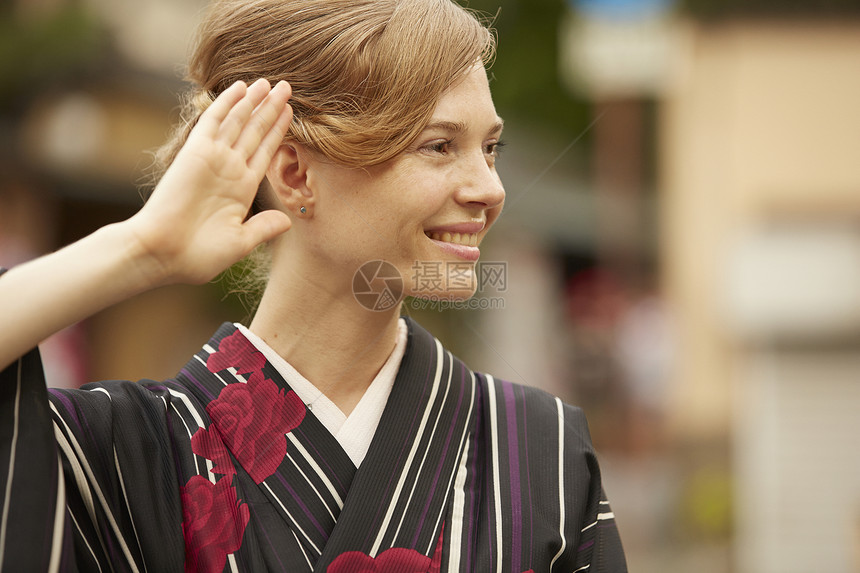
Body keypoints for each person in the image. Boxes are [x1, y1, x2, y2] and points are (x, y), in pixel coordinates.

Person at [0, 0, 627, 571]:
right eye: (439, 146)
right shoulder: (124, 453)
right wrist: (142, 248)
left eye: (490, 148)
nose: (490, 189)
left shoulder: (540, 447)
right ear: (296, 172)